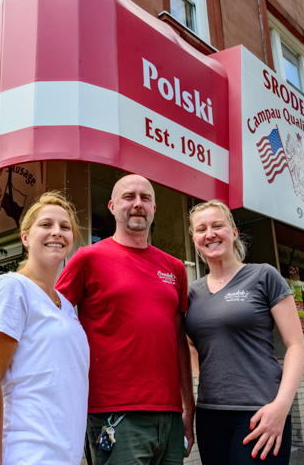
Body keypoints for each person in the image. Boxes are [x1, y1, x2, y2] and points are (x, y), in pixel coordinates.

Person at [56, 174, 195, 464]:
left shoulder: (174, 268)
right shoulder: (87, 259)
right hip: (113, 414)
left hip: (169, 416)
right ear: (111, 206)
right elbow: (53, 326)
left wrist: (187, 408)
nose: (137, 204)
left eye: (145, 198)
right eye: (128, 197)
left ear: (154, 208)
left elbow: (178, 342)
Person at [185, 199, 304, 464]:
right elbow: (191, 346)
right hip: (209, 415)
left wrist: (281, 406)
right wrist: (207, 379)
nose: (210, 234)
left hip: (260, 412)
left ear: (234, 232)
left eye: (218, 225)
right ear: (194, 239)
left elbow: (296, 346)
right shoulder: (192, 292)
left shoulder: (263, 275)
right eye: (201, 229)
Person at [0, 191, 89, 465]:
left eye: (65, 226)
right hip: (24, 455)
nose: (57, 232)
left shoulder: (65, 305)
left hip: (63, 456)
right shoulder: (11, 289)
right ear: (25, 237)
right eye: (46, 225)